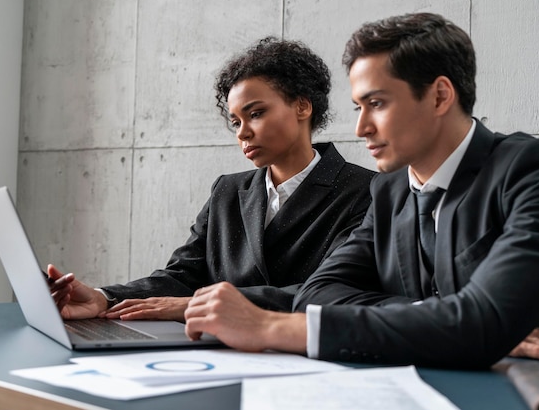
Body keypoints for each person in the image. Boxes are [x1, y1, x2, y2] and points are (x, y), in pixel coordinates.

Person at [183, 12, 539, 368]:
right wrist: (440, 317)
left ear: (440, 96)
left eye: (376, 103)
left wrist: (267, 327)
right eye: (357, 108)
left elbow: (484, 322)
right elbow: (316, 294)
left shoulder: (538, 169)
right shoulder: (389, 192)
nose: (361, 127)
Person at [47, 37, 375, 322]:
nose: (243, 132)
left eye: (256, 113)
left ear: (302, 106)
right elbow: (182, 275)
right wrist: (103, 297)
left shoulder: (366, 192)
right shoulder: (228, 191)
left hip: (306, 359)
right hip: (210, 353)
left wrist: (196, 306)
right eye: (235, 122)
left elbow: (329, 292)